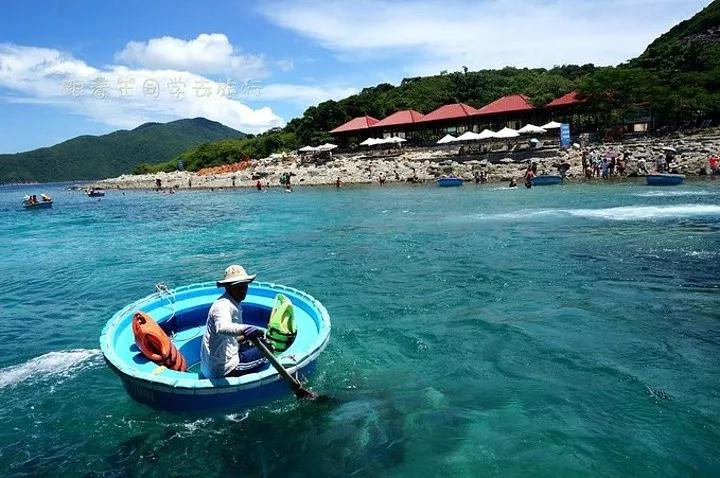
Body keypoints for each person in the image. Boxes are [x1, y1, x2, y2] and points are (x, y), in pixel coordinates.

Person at [200, 265, 267, 379]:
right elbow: (222, 328)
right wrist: (245, 329)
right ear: (227, 288)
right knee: (268, 347)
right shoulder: (223, 305)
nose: (242, 290)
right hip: (224, 369)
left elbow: (230, 338)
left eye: (244, 285)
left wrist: (247, 336)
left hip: (211, 365)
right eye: (237, 287)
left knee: (256, 342)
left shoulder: (232, 302)